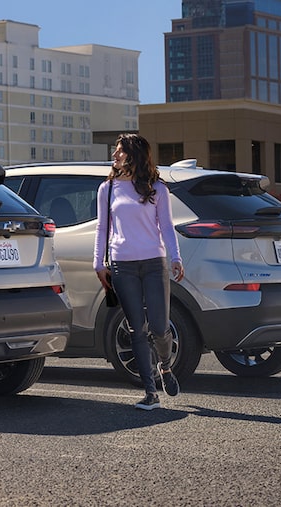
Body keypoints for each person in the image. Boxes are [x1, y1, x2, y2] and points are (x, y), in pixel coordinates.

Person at [94, 133, 185, 411]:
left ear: (134, 154)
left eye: (120, 151)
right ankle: (150, 392)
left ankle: (166, 367)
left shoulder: (157, 188)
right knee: (136, 328)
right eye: (115, 152)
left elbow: (167, 227)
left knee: (159, 326)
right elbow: (102, 228)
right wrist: (98, 263)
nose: (115, 156)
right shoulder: (107, 189)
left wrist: (176, 257)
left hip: (154, 263)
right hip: (123, 265)